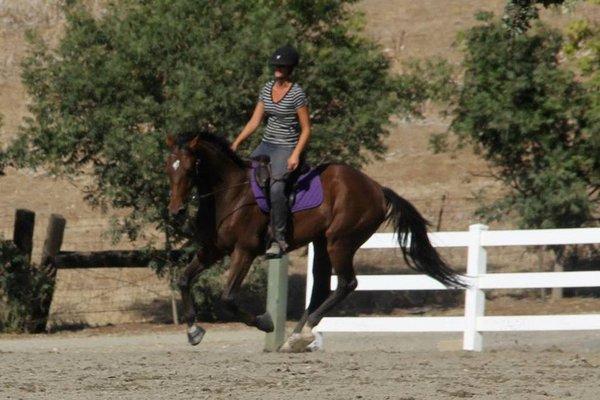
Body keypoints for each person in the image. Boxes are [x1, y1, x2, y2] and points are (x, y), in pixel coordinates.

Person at [231, 45, 311, 257]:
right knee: (246, 179)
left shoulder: (296, 94)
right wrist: (236, 142)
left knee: (276, 189)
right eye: (276, 65)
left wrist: (295, 154)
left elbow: (306, 129)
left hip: (286, 146)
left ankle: (279, 238)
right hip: (266, 144)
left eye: (282, 66)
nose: (277, 69)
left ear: (289, 68)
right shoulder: (267, 89)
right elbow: (255, 121)